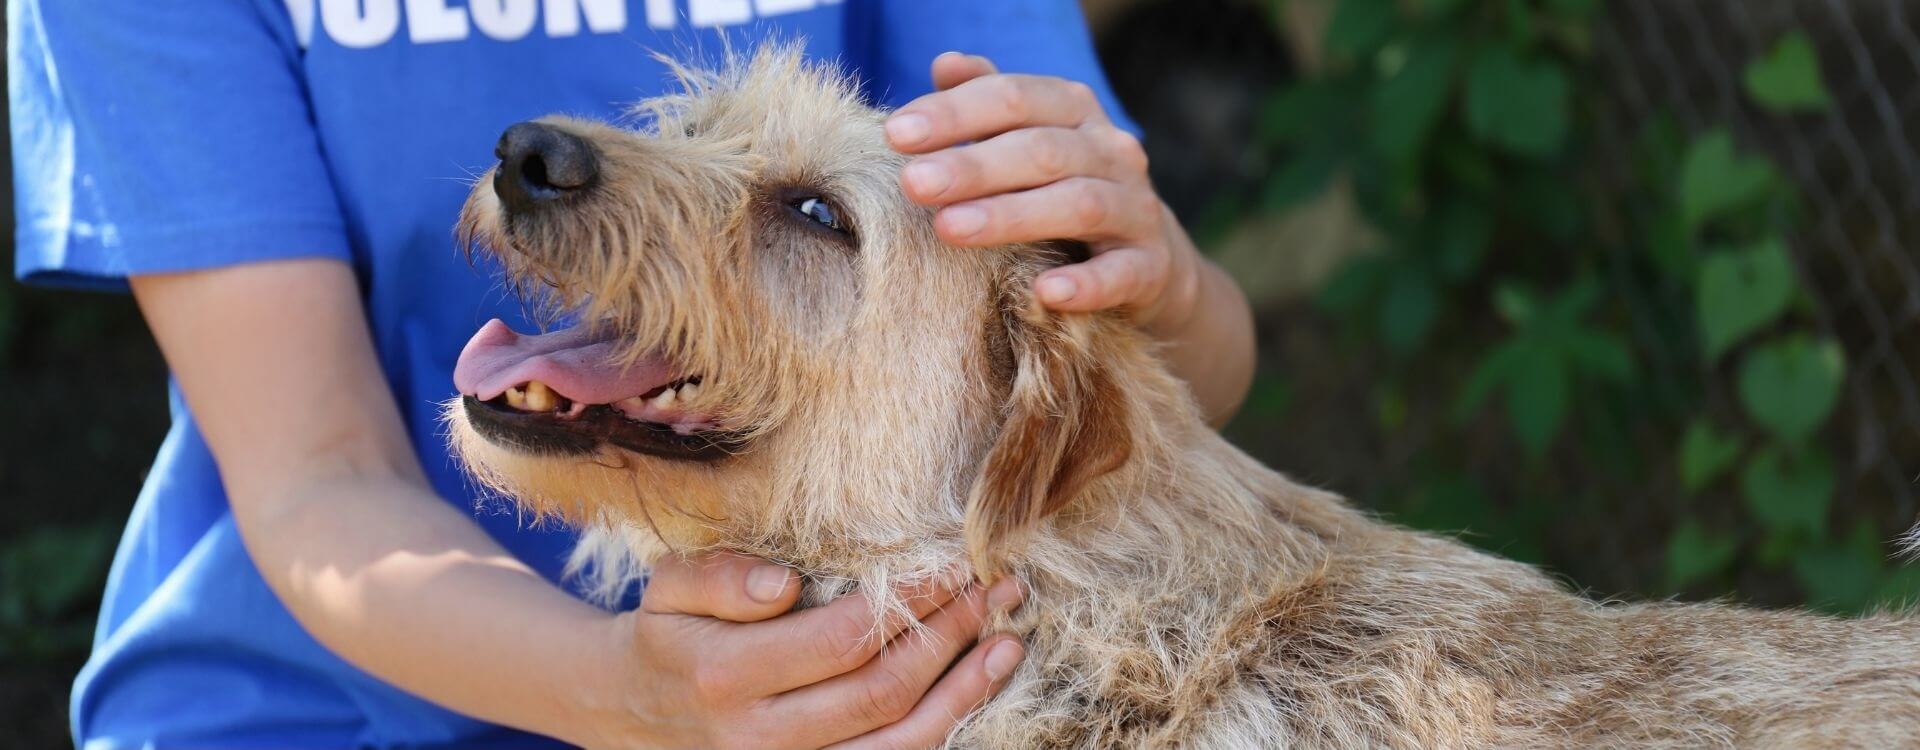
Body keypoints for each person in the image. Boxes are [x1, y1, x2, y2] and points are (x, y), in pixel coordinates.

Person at [11, 1, 1256, 747]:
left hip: (863, 702)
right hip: (307, 710)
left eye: (807, 215)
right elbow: (316, 471)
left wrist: (1170, 286)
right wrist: (630, 702)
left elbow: (1175, 376)